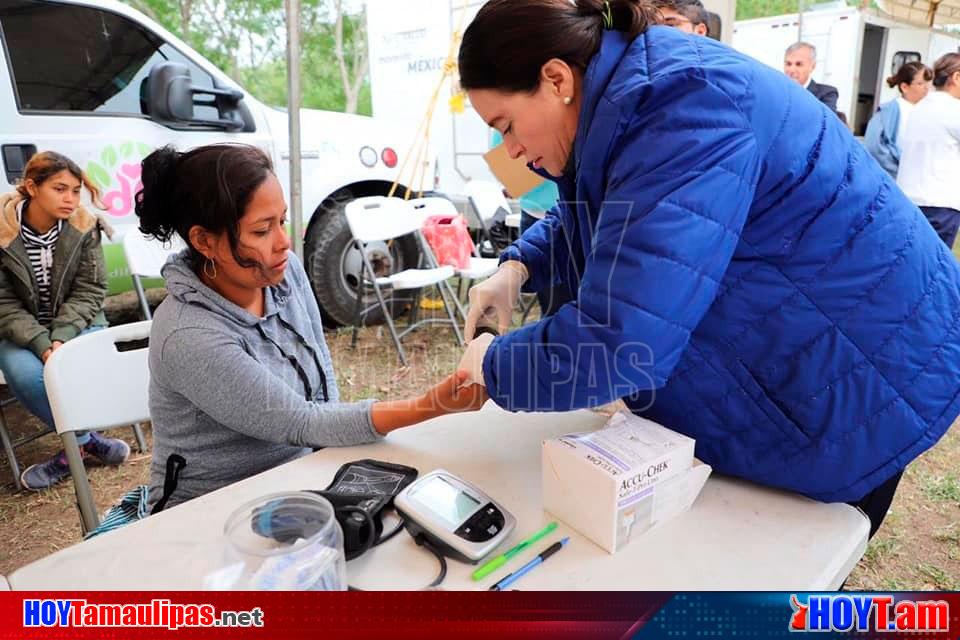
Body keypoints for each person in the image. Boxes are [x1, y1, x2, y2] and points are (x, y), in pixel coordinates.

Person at [456, 0, 960, 537]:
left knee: (789, 570)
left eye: (506, 126)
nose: (511, 151)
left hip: (859, 369)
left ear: (556, 78)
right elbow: (614, 206)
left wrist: (493, 365)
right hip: (807, 343)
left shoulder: (682, 107)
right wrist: (518, 268)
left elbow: (620, 342)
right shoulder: (625, 98)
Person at [134, 143, 486, 511]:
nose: (284, 242)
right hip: (211, 507)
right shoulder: (189, 336)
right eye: (261, 230)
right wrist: (432, 404)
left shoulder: (285, 274)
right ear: (204, 240)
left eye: (281, 221)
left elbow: (322, 384)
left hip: (301, 476)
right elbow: (300, 421)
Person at [0, 151, 131, 490]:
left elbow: (92, 288)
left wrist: (61, 335)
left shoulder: (83, 226)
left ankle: (75, 450)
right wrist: (43, 345)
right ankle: (88, 443)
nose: (71, 199)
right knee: (27, 377)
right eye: (60, 189)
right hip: (21, 329)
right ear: (32, 187)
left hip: (78, 322)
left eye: (75, 190)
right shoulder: (2, 231)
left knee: (86, 363)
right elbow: (3, 302)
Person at [896, 53, 960, 249]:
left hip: (908, 199)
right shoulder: (953, 110)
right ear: (956, 77)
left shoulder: (920, 107)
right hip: (940, 204)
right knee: (933, 271)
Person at [864, 62, 932, 179]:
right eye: (920, 83)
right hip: (895, 177)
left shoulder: (926, 110)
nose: (926, 88)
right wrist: (897, 169)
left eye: (928, 83)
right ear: (904, 87)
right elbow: (874, 146)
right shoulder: (890, 110)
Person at [784, 41, 839, 112]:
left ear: (812, 66)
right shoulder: (777, 92)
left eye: (799, 64)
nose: (791, 70)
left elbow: (823, 121)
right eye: (788, 64)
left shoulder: (827, 94)